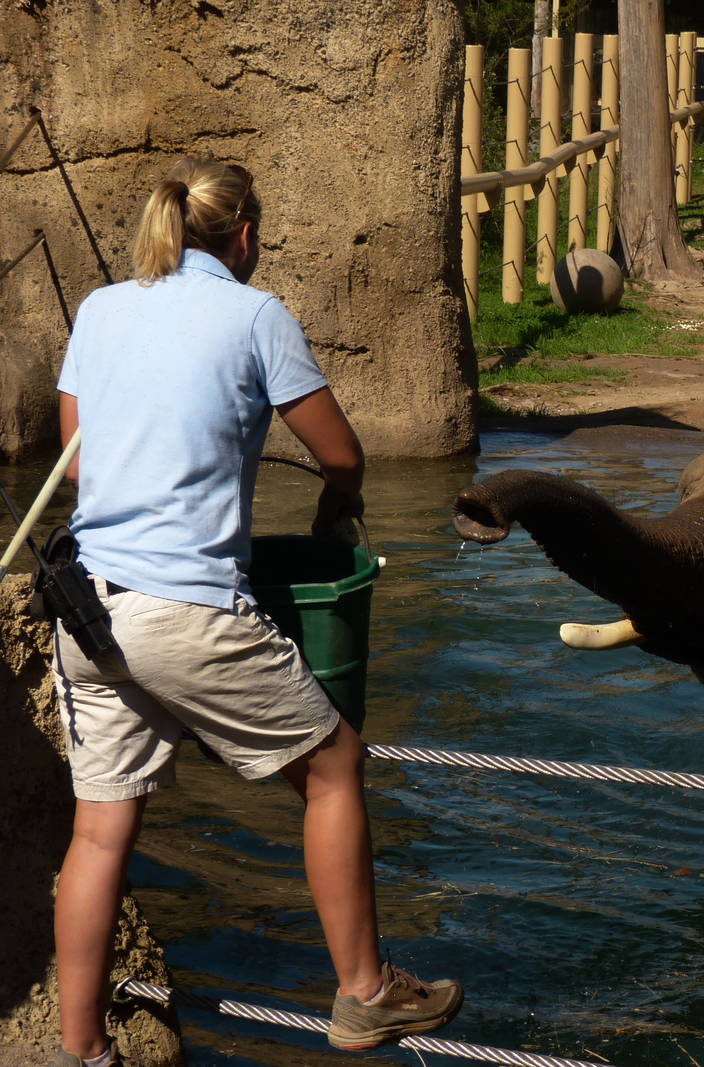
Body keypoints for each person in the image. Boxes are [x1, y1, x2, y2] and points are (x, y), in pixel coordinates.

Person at [49, 158, 462, 1066]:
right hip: (183, 610)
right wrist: (333, 501)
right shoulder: (255, 314)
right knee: (333, 766)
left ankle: (82, 1052)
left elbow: (79, 466)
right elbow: (341, 452)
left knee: (97, 829)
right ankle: (364, 991)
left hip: (86, 612)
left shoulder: (101, 308)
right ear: (242, 237)